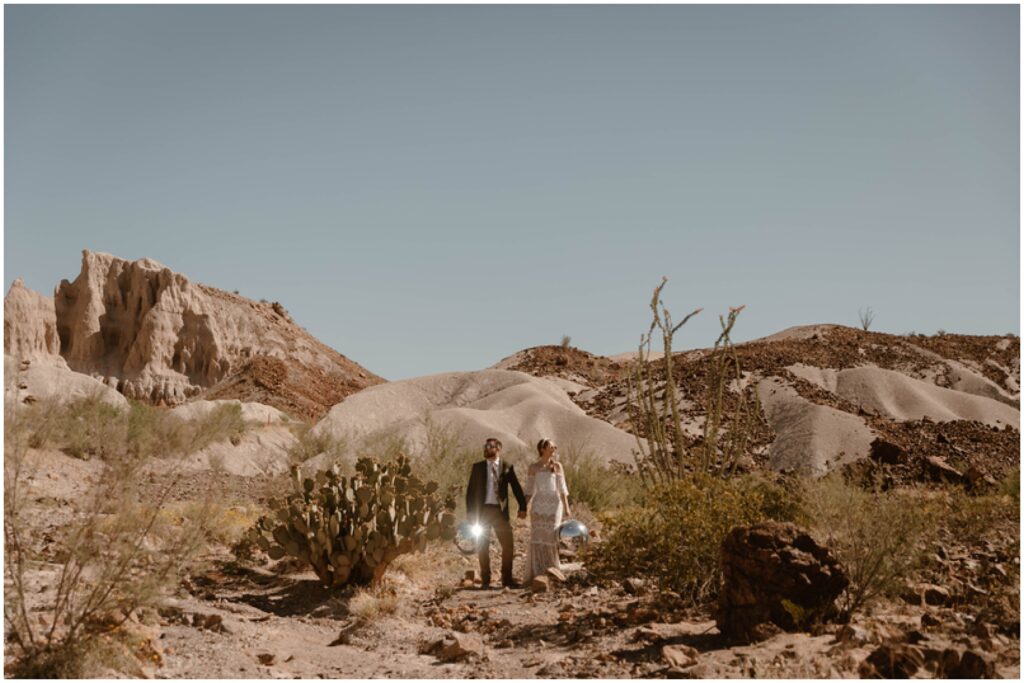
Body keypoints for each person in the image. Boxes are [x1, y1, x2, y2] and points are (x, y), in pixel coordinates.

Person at [465, 437, 527, 589]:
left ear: (498, 449)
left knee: (508, 545)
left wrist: (523, 507)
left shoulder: (506, 466)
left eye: (489, 446)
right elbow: (470, 492)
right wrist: (470, 513)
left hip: (500, 512)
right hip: (482, 512)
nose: (486, 449)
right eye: (484, 446)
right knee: (482, 546)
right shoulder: (478, 467)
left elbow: (516, 487)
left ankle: (507, 579)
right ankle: (486, 580)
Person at [524, 438, 572, 583]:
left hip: (554, 504)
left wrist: (567, 507)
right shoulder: (533, 467)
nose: (553, 450)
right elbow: (529, 490)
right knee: (538, 537)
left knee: (551, 536)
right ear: (542, 449)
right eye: (551, 447)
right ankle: (537, 570)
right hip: (539, 504)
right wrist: (523, 507)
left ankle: (552, 569)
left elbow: (562, 489)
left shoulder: (557, 466)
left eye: (554, 447)